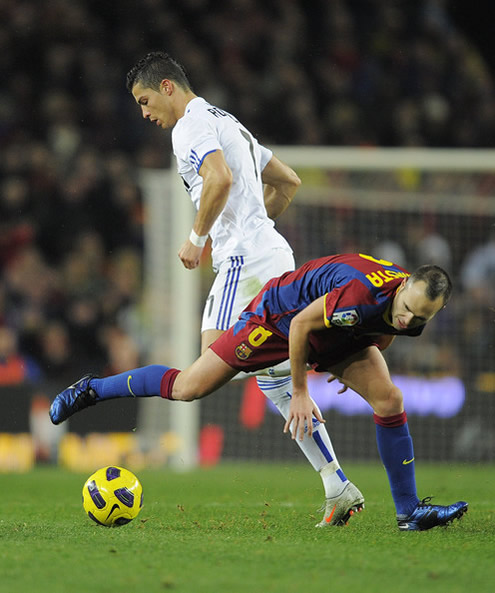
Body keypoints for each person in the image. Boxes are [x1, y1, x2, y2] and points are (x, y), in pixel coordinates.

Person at [50, 253, 468, 531]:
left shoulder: (410, 311)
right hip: (278, 320)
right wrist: (302, 391)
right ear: (404, 285)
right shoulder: (361, 295)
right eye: (407, 307)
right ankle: (92, 389)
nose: (407, 318)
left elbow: (385, 326)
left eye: (419, 315)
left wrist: (357, 358)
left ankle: (409, 511)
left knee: (389, 398)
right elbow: (304, 325)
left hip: (336, 333)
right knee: (188, 387)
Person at [124, 51, 361, 527]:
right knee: (258, 368)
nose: (144, 112)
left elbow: (220, 178)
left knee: (208, 365)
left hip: (243, 261)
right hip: (267, 253)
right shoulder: (227, 121)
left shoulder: (188, 126)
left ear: (167, 87)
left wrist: (199, 239)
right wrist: (253, 227)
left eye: (145, 100)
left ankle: (312, 352)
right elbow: (288, 181)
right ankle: (336, 482)